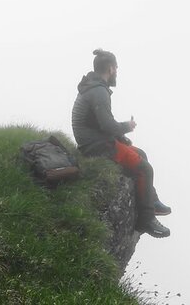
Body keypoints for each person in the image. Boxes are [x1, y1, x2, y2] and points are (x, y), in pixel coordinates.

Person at [71, 49, 171, 238]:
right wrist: (127, 126)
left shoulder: (92, 87)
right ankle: (147, 220)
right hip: (97, 147)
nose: (117, 71)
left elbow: (98, 122)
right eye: (116, 68)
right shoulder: (99, 91)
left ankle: (152, 201)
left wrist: (120, 136)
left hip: (94, 141)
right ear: (110, 68)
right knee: (145, 169)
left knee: (140, 153)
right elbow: (107, 125)